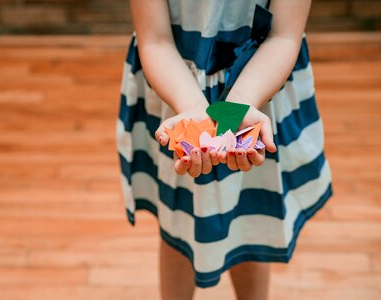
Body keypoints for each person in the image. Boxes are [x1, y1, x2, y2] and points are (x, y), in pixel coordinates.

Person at [116, 0, 333, 299]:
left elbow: (284, 35)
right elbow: (155, 39)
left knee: (251, 220)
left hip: (261, 86)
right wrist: (193, 108)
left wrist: (238, 104)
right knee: (177, 220)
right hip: (175, 87)